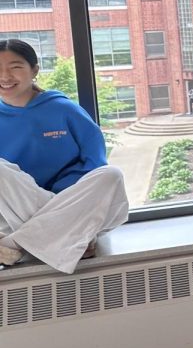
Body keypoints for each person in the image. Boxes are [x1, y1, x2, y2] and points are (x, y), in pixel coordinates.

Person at [0, 38, 129, 273]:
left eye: (15, 67)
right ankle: (70, 236)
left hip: (71, 201)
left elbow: (94, 161)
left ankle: (14, 245)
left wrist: (62, 201)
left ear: (35, 70)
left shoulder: (63, 109)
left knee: (111, 175)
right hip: (22, 209)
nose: (5, 77)